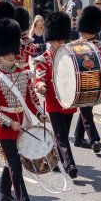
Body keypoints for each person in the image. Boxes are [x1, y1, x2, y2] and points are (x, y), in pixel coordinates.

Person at [0, 18, 46, 201]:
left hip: (24, 124)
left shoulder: (24, 75)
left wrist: (39, 113)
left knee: (13, 163)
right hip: (6, 128)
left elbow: (32, 98)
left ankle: (4, 193)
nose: (11, 56)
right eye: (6, 53)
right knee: (15, 165)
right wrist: (9, 121)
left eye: (12, 52)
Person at [34, 12, 80, 178]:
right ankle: (70, 165)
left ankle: (54, 159)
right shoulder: (44, 58)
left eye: (61, 39)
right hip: (53, 100)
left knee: (64, 134)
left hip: (69, 100)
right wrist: (40, 85)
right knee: (60, 134)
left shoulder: (72, 54)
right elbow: (39, 75)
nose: (59, 43)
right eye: (55, 40)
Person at [73, 5, 101, 152]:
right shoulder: (75, 45)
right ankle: (94, 140)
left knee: (87, 110)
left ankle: (78, 137)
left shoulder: (100, 46)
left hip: (95, 81)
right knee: (87, 112)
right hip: (81, 82)